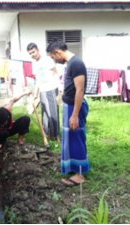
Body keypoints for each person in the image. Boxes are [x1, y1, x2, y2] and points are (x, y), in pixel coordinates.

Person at [46, 38, 90, 186]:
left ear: (58, 52)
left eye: (53, 57)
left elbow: (80, 90)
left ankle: (80, 174)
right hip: (70, 106)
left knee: (76, 139)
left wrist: (75, 115)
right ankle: (74, 168)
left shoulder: (76, 64)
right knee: (71, 139)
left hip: (74, 108)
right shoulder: (71, 63)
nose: (55, 60)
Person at [0, 89, 32, 170]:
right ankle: (1, 145)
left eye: (4, 123)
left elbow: (14, 99)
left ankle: (20, 140)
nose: (3, 124)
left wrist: (25, 93)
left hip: (11, 128)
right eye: (1, 124)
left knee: (26, 119)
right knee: (2, 133)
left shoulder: (7, 108)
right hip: (2, 133)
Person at [27, 42, 61, 143]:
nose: (32, 55)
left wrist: (59, 87)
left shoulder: (47, 60)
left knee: (53, 113)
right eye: (30, 53)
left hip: (51, 89)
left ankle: (56, 136)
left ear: (38, 50)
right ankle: (48, 135)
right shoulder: (34, 64)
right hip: (42, 91)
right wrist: (36, 94)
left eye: (33, 52)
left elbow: (55, 72)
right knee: (45, 114)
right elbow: (37, 80)